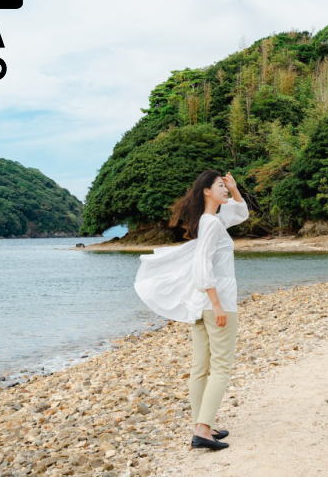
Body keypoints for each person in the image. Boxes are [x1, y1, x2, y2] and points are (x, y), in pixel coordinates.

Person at [132, 169, 249, 451]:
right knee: (220, 367)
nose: (224, 188)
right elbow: (202, 267)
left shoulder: (213, 221)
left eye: (225, 185)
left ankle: (203, 422)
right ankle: (202, 429)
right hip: (216, 303)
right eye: (219, 185)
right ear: (206, 191)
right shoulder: (211, 224)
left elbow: (241, 213)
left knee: (201, 368)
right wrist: (219, 305)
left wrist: (234, 189)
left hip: (202, 304)